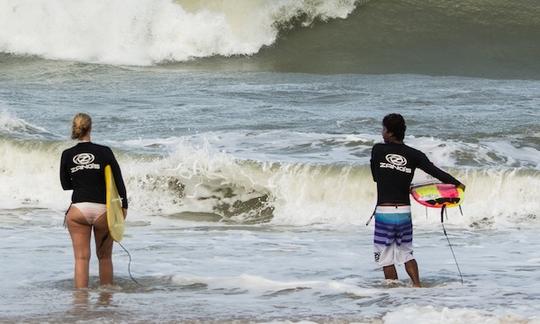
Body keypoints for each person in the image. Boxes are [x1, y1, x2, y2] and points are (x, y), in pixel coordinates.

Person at [370, 113, 464, 287]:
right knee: (407, 253)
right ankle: (417, 287)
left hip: (385, 212)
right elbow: (436, 172)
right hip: (404, 212)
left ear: (390, 133)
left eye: (383, 129)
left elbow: (376, 177)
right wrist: (457, 184)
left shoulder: (378, 150)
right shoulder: (414, 155)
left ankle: (393, 293)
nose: (382, 132)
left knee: (385, 257)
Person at [60, 113, 128, 289]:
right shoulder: (104, 151)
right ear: (90, 127)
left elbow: (65, 185)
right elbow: (118, 180)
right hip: (102, 211)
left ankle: (81, 302)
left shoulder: (67, 154)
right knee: (105, 258)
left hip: (77, 211)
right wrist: (124, 205)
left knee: (81, 259)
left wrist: (81, 175)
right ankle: (105, 301)